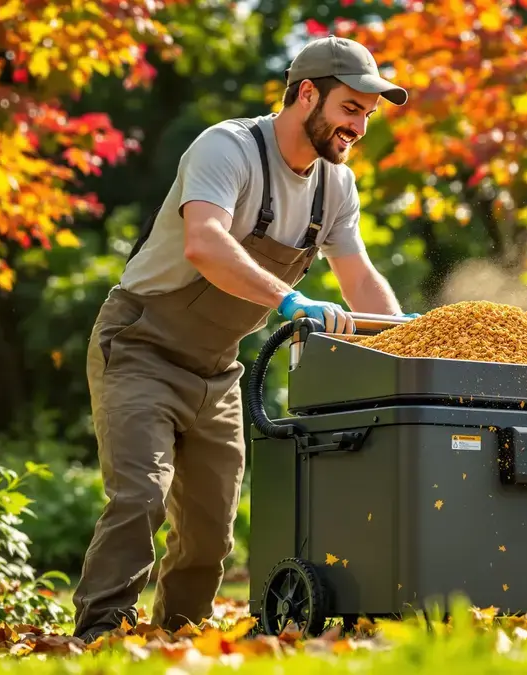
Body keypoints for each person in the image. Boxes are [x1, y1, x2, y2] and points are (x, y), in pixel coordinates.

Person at [70, 35, 418, 642]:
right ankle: (100, 633)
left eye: (366, 114)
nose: (357, 127)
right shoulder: (228, 148)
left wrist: (409, 346)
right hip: (141, 346)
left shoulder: (334, 185)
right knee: (142, 496)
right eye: (349, 109)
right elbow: (206, 243)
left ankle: (178, 636)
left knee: (211, 528)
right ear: (307, 93)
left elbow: (359, 275)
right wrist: (291, 301)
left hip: (217, 366)